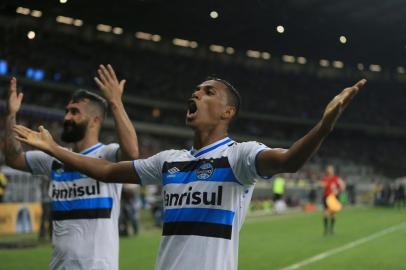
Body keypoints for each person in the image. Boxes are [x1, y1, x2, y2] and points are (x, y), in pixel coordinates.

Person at [13, 77, 366, 270]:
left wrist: (324, 126)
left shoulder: (239, 157)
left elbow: (289, 160)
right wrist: (54, 149)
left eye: (208, 92)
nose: (195, 93)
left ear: (227, 111)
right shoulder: (170, 161)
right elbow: (106, 170)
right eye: (195, 90)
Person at [4, 64, 138, 270]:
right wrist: (11, 115)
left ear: (95, 120)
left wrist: (115, 102)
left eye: (75, 112)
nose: (66, 117)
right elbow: (13, 159)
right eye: (67, 111)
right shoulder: (52, 157)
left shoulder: (108, 154)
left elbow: (132, 153)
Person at [321, 165, 345, 235]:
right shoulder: (325, 178)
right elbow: (322, 186)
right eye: (329, 169)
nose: (330, 170)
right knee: (325, 213)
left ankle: (331, 229)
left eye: (331, 169)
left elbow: (343, 186)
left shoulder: (336, 178)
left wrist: (338, 190)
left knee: (333, 214)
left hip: (334, 198)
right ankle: (326, 229)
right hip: (326, 197)